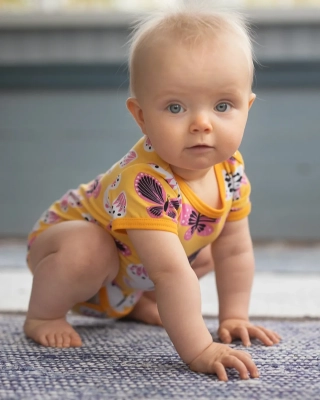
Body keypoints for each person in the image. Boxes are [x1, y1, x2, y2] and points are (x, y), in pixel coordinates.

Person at [24, 3, 281, 381]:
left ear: (248, 107)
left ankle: (138, 304)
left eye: (223, 105)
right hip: (64, 257)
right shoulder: (146, 182)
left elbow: (236, 249)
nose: (201, 124)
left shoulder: (230, 170)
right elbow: (170, 272)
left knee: (208, 248)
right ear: (141, 116)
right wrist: (199, 348)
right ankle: (42, 314)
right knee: (94, 250)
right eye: (176, 107)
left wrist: (234, 316)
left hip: (129, 276)